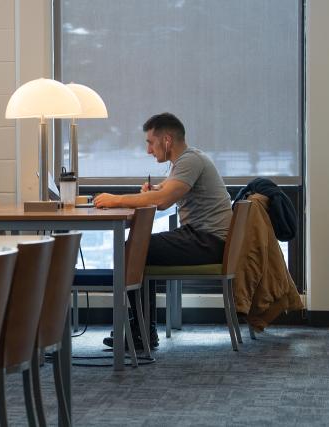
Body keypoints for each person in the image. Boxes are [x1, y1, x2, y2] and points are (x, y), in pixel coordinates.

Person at [94, 112, 232, 349]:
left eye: (150, 142)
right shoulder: (184, 162)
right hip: (205, 237)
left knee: (135, 249)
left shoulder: (189, 161)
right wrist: (154, 189)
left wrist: (115, 200)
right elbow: (164, 191)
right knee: (139, 249)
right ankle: (142, 331)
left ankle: (140, 332)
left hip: (208, 241)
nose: (148, 150)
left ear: (167, 140)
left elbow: (162, 201)